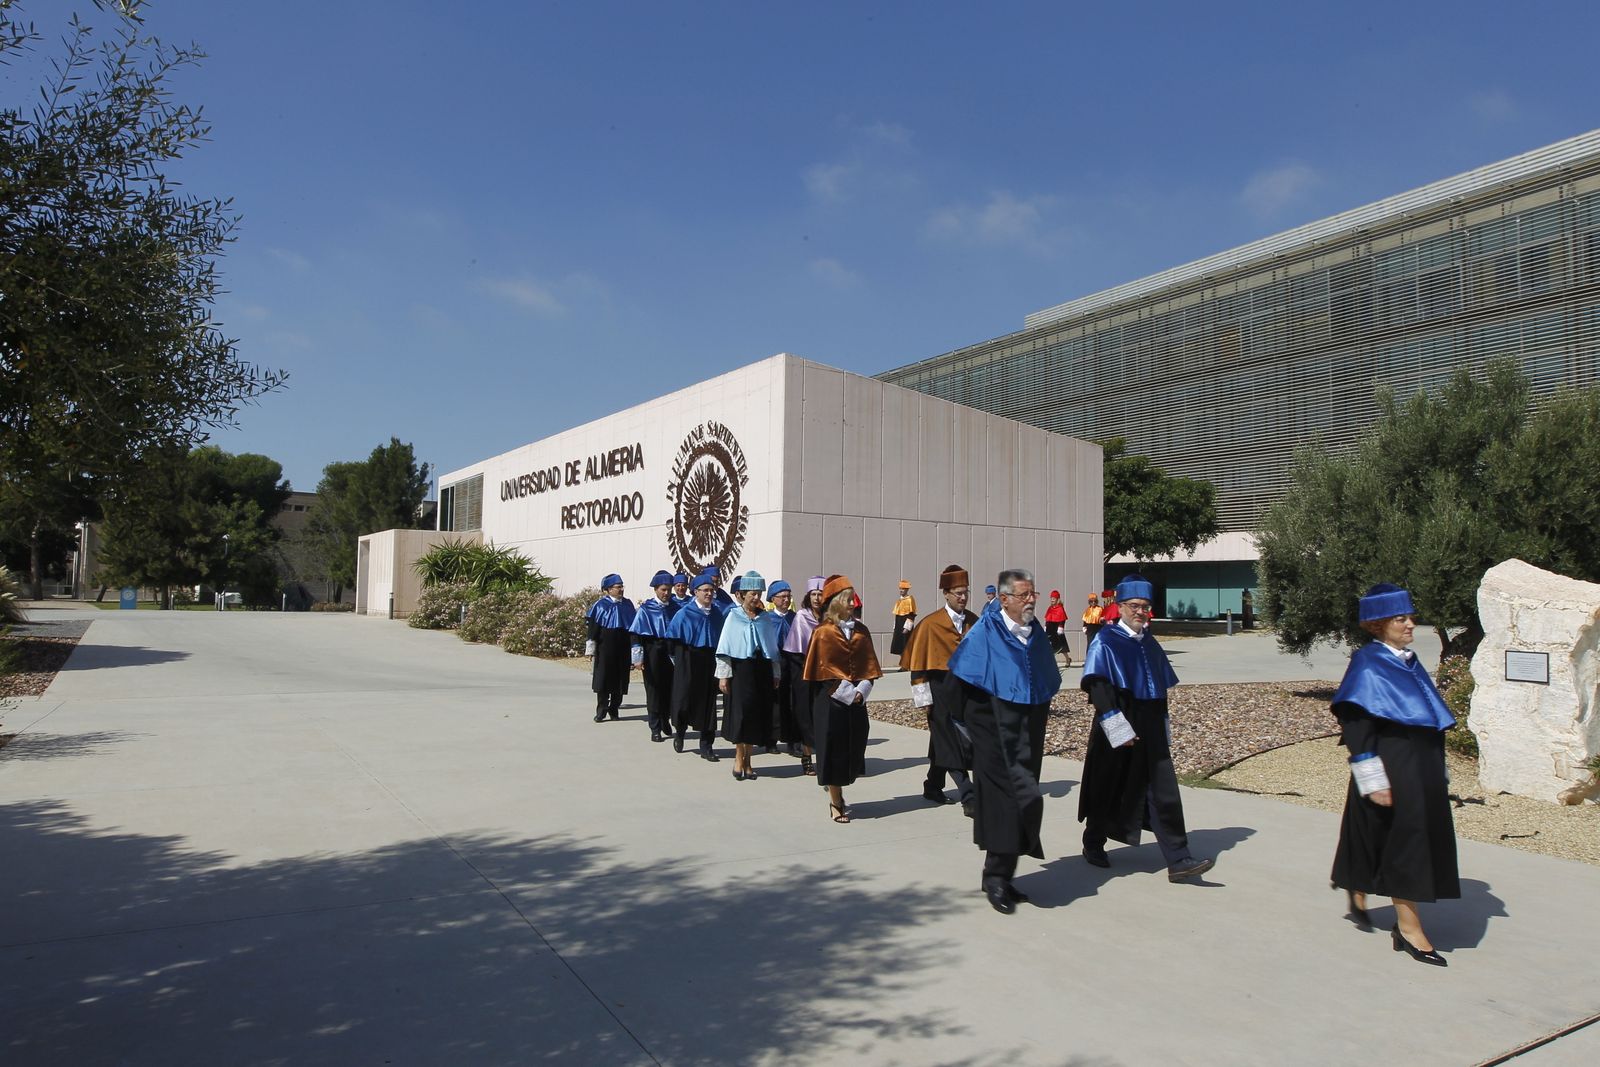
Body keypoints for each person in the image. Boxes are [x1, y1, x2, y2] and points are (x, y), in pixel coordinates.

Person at [1330, 583, 1459, 967]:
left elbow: (1428, 718)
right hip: (1393, 764)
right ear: (1378, 623)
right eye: (1401, 618)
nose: (1410, 624)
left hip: (1423, 766)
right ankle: (1408, 928)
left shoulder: (1408, 660)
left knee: (1381, 832)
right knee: (1408, 843)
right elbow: (1355, 727)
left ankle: (1358, 884)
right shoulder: (1368, 663)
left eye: (1410, 616)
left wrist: (1441, 769)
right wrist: (1374, 780)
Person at [1077, 574, 1214, 882]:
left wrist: (1163, 724)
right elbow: (1097, 686)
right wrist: (1116, 726)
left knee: (1162, 790)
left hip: (1150, 723)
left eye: (1145, 606)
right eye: (1134, 606)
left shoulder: (1150, 642)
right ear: (1120, 606)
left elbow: (1160, 688)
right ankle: (1093, 841)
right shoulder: (1105, 640)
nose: (1140, 612)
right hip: (1117, 719)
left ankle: (1179, 858)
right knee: (1108, 785)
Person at [948, 568, 1062, 914]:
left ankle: (1000, 873)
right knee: (1009, 804)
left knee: (1024, 802)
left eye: (1033, 595)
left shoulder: (1035, 633)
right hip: (993, 735)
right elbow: (958, 689)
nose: (1030, 601)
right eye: (1024, 595)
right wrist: (971, 733)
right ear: (1004, 599)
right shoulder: (985, 632)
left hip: (1027, 734)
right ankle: (997, 877)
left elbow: (1043, 677)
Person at [803, 575, 883, 823]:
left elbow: (870, 666)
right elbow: (822, 672)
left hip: (856, 701)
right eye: (847, 599)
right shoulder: (823, 633)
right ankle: (836, 801)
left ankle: (839, 790)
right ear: (836, 602)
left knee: (854, 746)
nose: (852, 603)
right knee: (832, 750)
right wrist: (848, 693)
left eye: (853, 599)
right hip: (830, 702)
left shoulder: (861, 631)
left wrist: (862, 691)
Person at [899, 564, 978, 815]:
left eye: (965, 592)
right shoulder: (930, 624)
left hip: (967, 692)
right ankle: (968, 794)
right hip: (940, 690)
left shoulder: (974, 621)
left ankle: (933, 785)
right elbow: (918, 665)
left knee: (942, 741)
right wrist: (923, 699)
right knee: (950, 740)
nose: (962, 597)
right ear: (946, 593)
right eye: (958, 593)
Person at [715, 570, 781, 781]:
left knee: (755, 714)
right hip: (740, 670)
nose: (756, 597)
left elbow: (772, 648)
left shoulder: (765, 618)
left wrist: (775, 673)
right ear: (742, 594)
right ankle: (738, 757)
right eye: (752, 593)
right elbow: (725, 646)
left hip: (761, 670)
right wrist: (724, 676)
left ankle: (750, 760)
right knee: (740, 714)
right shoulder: (733, 616)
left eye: (759, 593)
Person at [665, 573, 725, 760]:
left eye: (711, 590)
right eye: (705, 590)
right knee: (684, 699)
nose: (709, 593)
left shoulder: (717, 613)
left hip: (709, 661)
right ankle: (680, 732)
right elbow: (672, 640)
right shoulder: (684, 613)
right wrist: (677, 660)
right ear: (695, 592)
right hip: (688, 658)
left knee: (708, 703)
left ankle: (707, 745)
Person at [780, 576, 826, 776]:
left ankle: (824, 758)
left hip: (826, 673)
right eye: (814, 594)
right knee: (805, 715)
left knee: (823, 715)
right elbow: (794, 650)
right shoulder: (801, 616)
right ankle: (806, 756)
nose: (817, 598)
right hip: (804, 673)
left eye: (820, 594)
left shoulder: (829, 618)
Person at [629, 570, 679, 742]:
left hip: (671, 652)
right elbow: (636, 635)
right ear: (656, 589)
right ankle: (655, 726)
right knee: (654, 689)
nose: (667, 593)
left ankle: (666, 719)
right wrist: (637, 658)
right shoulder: (645, 609)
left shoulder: (675, 608)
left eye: (669, 590)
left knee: (670, 688)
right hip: (653, 652)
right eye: (663, 590)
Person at [585, 574, 636, 723]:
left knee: (620, 678)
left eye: (622, 586)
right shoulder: (600, 605)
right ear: (608, 589)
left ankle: (614, 708)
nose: (621, 590)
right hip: (605, 646)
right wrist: (590, 649)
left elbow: (633, 628)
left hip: (623, 647)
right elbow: (593, 629)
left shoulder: (627, 604)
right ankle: (601, 709)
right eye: (617, 587)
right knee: (603, 678)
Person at [766, 580, 801, 754]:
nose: (787, 600)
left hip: (792, 664)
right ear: (773, 598)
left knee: (792, 702)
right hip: (774, 663)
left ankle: (793, 741)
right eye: (783, 596)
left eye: (789, 596)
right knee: (774, 703)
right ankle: (771, 740)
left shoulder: (795, 618)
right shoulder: (767, 619)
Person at [890, 580, 917, 656]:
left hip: (905, 625)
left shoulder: (910, 600)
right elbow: (897, 614)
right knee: (899, 646)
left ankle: (906, 665)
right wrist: (895, 626)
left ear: (907, 590)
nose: (901, 590)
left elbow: (912, 614)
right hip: (898, 625)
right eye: (900, 588)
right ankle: (902, 665)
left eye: (903, 589)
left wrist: (907, 627)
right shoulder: (899, 600)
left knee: (906, 645)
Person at [1043, 590, 1068, 657]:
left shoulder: (1060, 608)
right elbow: (1048, 618)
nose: (1052, 600)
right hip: (1050, 629)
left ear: (1057, 599)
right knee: (1050, 646)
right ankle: (1050, 661)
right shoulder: (1050, 608)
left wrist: (1061, 627)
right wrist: (1045, 626)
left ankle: (1067, 659)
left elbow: (1062, 619)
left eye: (1053, 598)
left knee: (1062, 646)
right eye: (1051, 598)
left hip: (1057, 629)